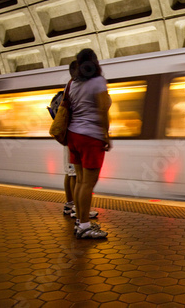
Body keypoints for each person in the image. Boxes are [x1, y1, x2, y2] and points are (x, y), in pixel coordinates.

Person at [67, 48, 112, 239]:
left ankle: (80, 221)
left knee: (79, 180)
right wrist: (106, 135)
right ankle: (85, 226)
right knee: (88, 183)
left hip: (73, 136)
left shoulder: (72, 83)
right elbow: (103, 109)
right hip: (91, 137)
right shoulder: (98, 82)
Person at [62, 61, 98, 220]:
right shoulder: (76, 86)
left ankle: (74, 207)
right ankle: (78, 211)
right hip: (79, 136)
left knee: (73, 174)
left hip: (71, 135)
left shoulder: (70, 86)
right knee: (77, 176)